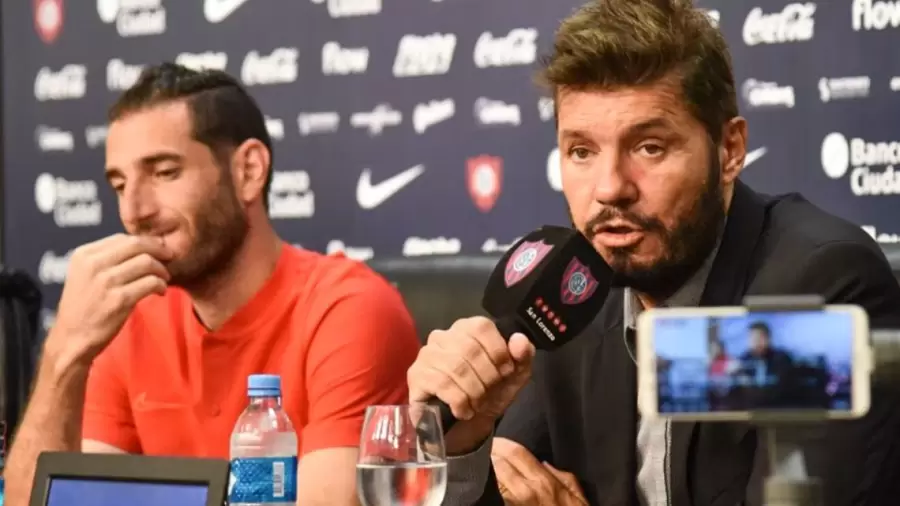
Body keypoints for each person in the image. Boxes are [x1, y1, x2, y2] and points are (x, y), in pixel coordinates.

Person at [406, 1, 900, 505]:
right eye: (581, 151)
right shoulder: (571, 295)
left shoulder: (822, 282)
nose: (610, 188)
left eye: (649, 148)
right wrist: (463, 447)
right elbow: (512, 475)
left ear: (729, 150)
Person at [4, 63, 421, 506]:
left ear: (249, 171)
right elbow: (49, 501)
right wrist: (65, 351)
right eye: (120, 184)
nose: (134, 211)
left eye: (164, 172)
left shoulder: (347, 309)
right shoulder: (125, 318)